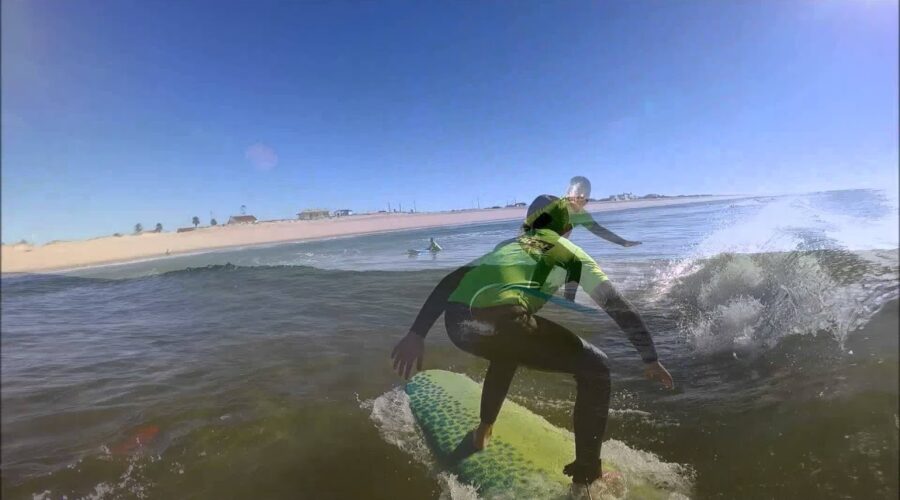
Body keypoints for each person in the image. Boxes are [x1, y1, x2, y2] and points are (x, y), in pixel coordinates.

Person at [391, 195, 673, 491]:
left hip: (458, 323)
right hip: (504, 321)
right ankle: (587, 478)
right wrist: (649, 358)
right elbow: (617, 305)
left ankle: (483, 431)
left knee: (508, 350)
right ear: (567, 228)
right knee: (597, 366)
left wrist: (416, 334)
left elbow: (452, 280)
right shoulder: (569, 252)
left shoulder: (508, 247)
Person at [561, 176, 640, 302]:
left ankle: (568, 302)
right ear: (569, 192)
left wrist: (622, 242)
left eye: (585, 193)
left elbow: (599, 230)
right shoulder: (556, 206)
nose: (581, 195)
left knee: (576, 265)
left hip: (556, 246)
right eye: (578, 191)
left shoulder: (581, 215)